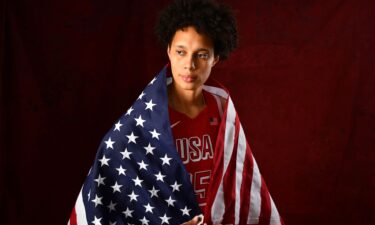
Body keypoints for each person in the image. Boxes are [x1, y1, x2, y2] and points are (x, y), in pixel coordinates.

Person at [69, 1, 283, 225]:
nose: (189, 64)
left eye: (201, 55)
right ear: (169, 50)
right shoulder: (142, 122)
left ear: (215, 58)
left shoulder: (222, 111)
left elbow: (238, 184)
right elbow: (112, 202)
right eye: (181, 52)